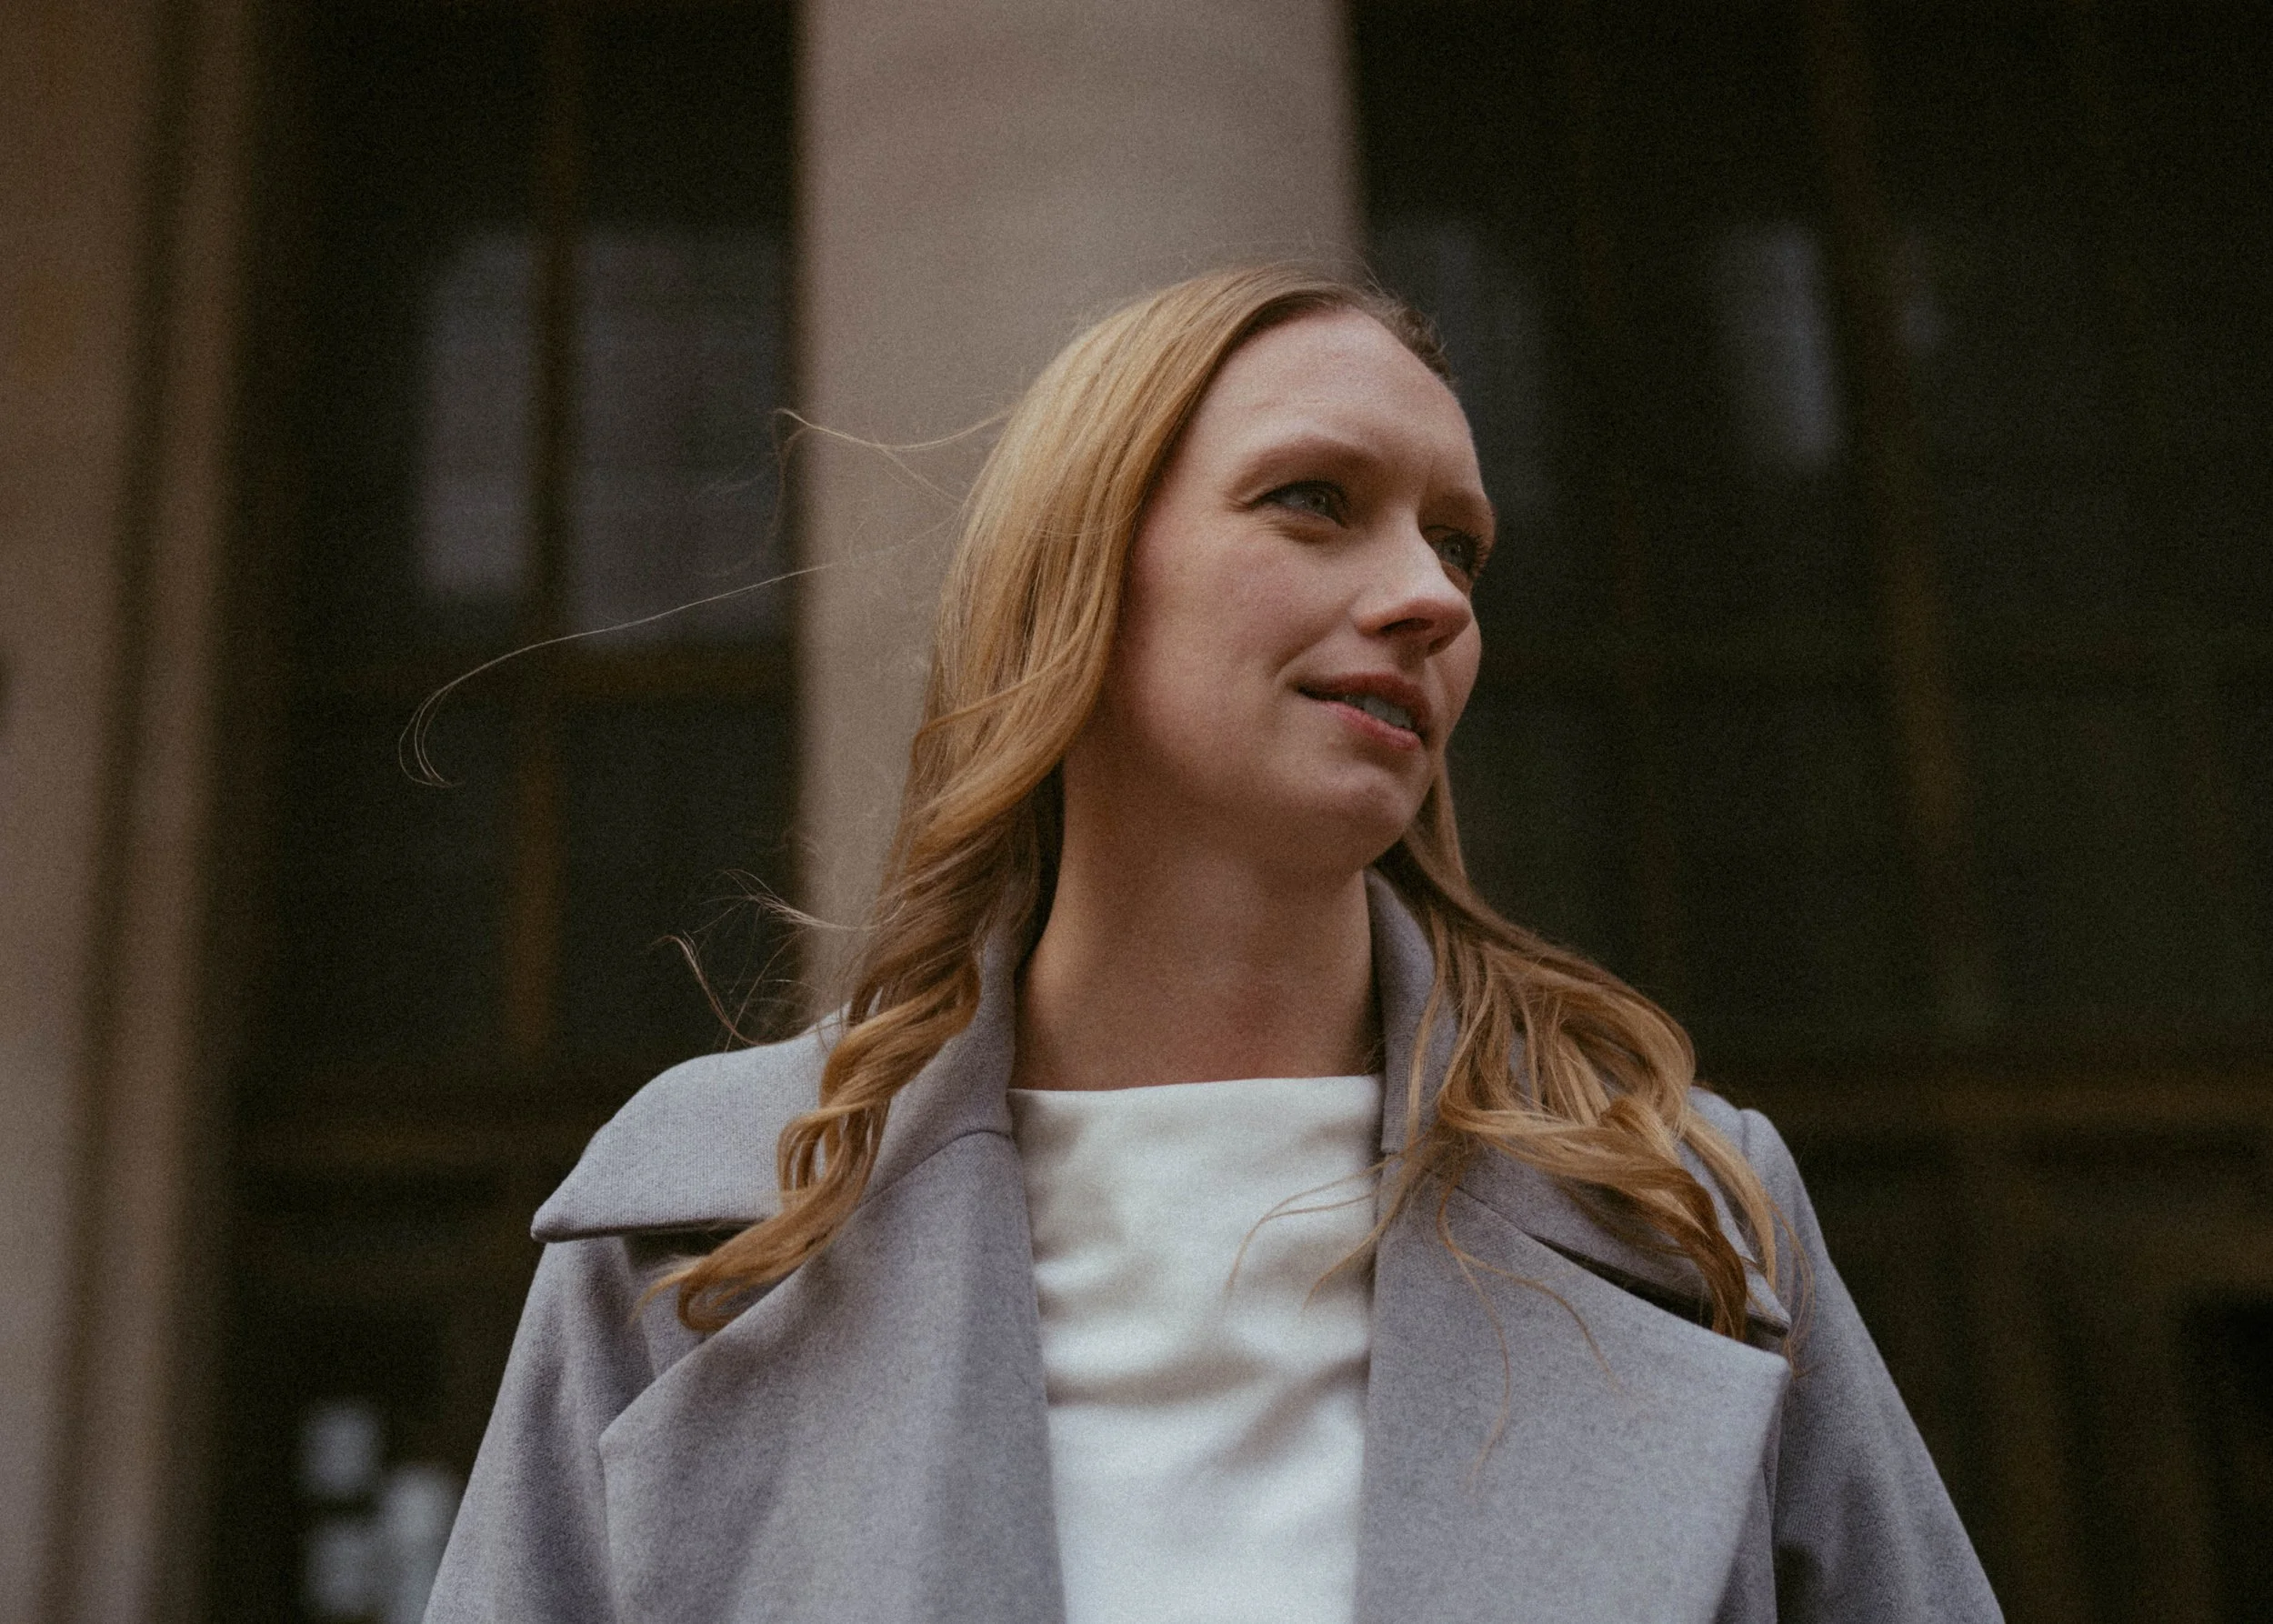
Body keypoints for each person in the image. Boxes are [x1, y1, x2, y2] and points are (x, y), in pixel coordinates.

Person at [425, 265, 2000, 1624]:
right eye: (1316, 500)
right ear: (1080, 571)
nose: (1428, 599)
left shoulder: (1696, 1217)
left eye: (1459, 545)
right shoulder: (696, 1227)